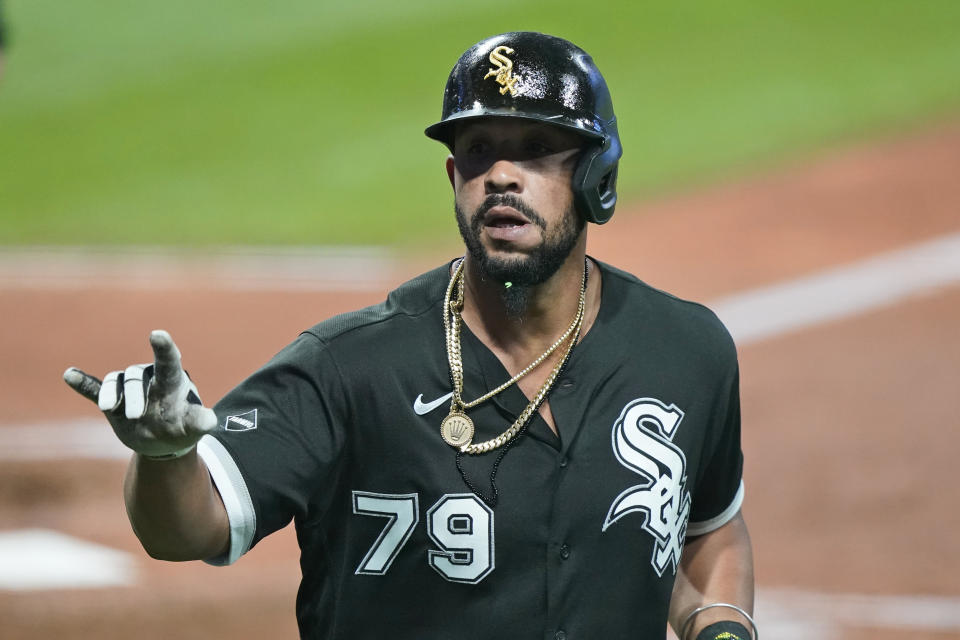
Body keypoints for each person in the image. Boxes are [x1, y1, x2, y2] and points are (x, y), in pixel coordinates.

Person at [64, 32, 756, 640]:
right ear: (455, 178)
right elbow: (189, 527)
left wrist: (721, 623)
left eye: (537, 150)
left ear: (596, 174)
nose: (502, 175)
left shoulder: (685, 351)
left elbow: (708, 526)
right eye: (479, 152)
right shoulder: (351, 368)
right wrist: (165, 457)